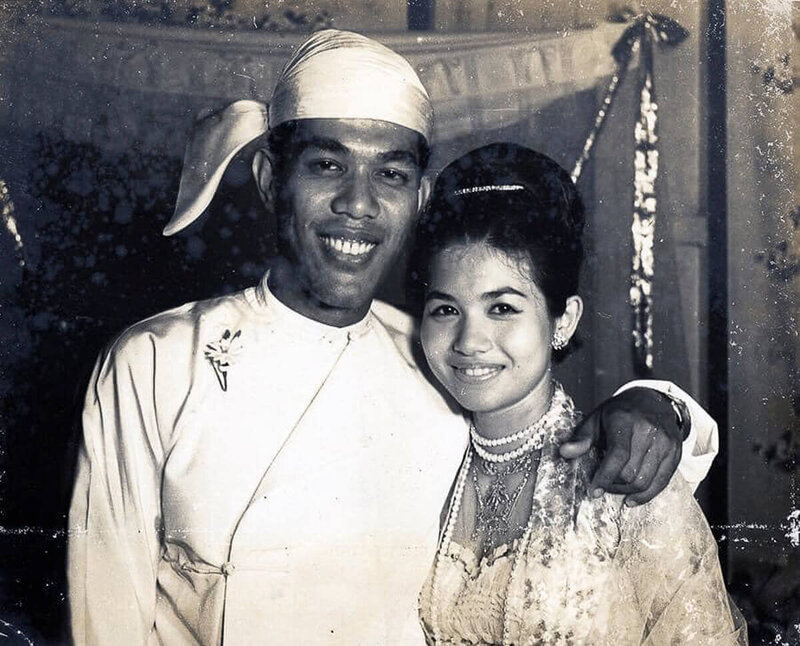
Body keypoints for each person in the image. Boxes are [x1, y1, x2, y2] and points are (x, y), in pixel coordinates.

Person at [68, 30, 718, 644]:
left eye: (392, 174)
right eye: (327, 164)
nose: (359, 202)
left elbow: (549, 431)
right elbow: (105, 616)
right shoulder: (154, 362)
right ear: (272, 181)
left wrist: (658, 403)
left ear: (419, 194)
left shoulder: (435, 361)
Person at [413, 143, 746, 645]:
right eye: (445, 309)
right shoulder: (426, 460)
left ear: (563, 319)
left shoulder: (624, 472)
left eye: (502, 308)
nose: (468, 342)